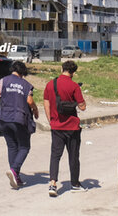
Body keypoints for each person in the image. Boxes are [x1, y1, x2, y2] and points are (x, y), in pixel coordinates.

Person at [44, 60, 87, 197]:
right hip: (72, 127)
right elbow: (82, 107)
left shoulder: (51, 84)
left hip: (56, 125)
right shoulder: (74, 86)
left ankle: (52, 183)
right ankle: (75, 184)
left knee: (55, 155)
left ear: (61, 68)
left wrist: (51, 120)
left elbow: (46, 103)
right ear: (73, 72)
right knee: (73, 156)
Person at [0, 60, 39, 189]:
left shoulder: (3, 81)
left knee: (12, 146)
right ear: (23, 72)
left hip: (3, 118)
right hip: (19, 119)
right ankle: (14, 170)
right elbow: (29, 101)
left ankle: (15, 177)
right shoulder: (25, 85)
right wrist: (35, 110)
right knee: (24, 147)